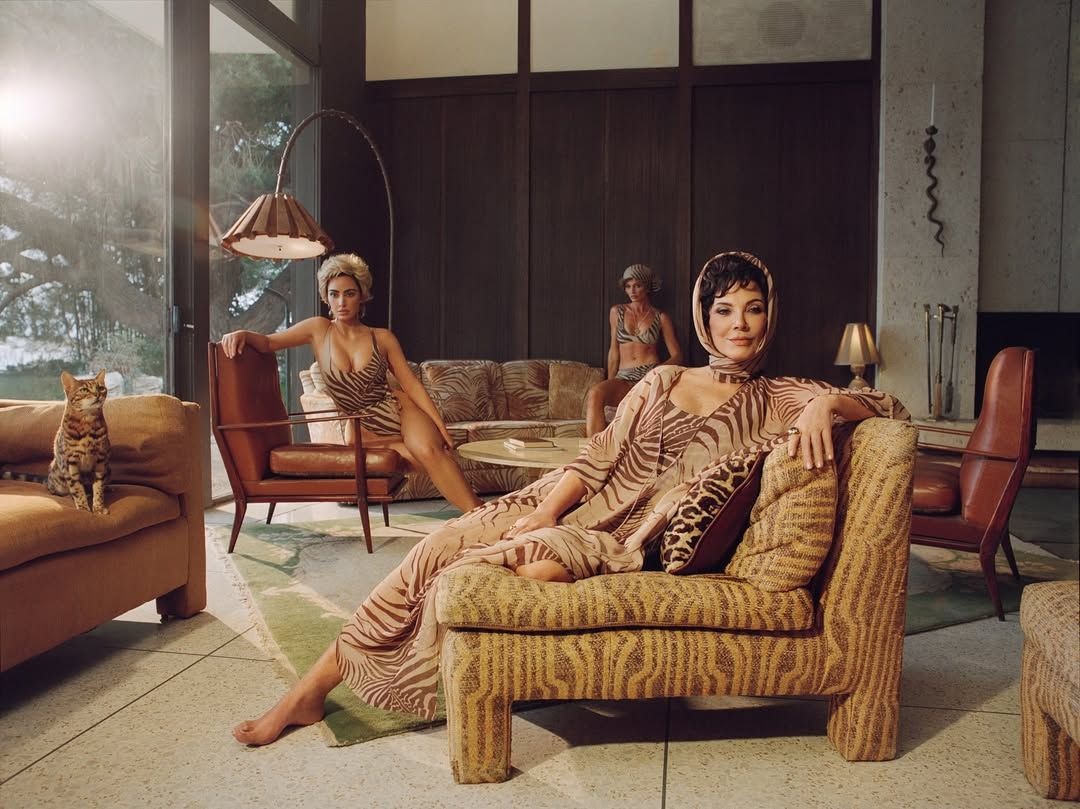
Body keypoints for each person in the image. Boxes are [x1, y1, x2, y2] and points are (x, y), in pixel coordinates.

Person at [232, 250, 907, 746]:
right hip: (568, 505)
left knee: (510, 568)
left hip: (623, 541)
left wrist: (829, 407)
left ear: (770, 316)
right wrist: (542, 510)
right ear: (704, 316)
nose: (740, 324)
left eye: (753, 309)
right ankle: (311, 690)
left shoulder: (783, 396)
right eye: (724, 309)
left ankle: (465, 673)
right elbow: (600, 454)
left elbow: (890, 408)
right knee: (438, 545)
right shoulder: (664, 379)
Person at [220, 253, 482, 514]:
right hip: (362, 427)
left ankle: (478, 515)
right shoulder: (318, 329)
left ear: (362, 296)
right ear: (326, 297)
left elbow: (412, 385)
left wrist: (441, 427)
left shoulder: (382, 337)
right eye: (334, 294)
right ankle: (481, 514)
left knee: (431, 451)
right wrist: (243, 333)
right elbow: (268, 343)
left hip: (400, 410)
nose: (341, 302)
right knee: (430, 460)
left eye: (349, 294)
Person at [585, 264, 683, 437]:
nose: (632, 291)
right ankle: (594, 450)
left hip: (650, 377)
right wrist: (611, 381)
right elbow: (614, 351)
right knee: (596, 393)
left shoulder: (660, 317)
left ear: (648, 286)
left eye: (638, 285)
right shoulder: (617, 312)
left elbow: (677, 356)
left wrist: (656, 373)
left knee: (645, 414)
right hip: (624, 377)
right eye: (628, 286)